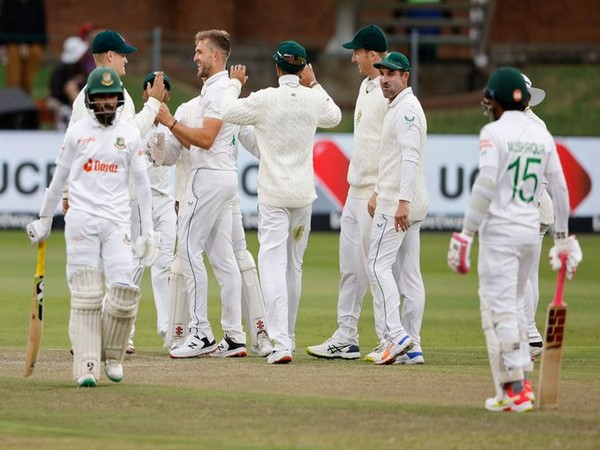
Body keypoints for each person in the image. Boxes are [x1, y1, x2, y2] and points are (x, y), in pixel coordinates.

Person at [447, 66, 582, 412]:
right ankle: (516, 379)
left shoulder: (493, 132)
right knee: (515, 306)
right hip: (529, 230)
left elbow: (486, 184)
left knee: (500, 309)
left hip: (501, 232)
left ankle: (517, 388)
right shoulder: (541, 134)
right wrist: (564, 239)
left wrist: (465, 233)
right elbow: (562, 188)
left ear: (497, 100)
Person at [25, 67, 158, 387]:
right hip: (82, 219)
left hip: (116, 221)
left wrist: (149, 231)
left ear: (118, 100)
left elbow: (142, 183)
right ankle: (86, 365)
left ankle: (112, 355)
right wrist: (44, 219)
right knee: (86, 294)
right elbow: (58, 181)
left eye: (112, 98)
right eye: (101, 98)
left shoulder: (130, 135)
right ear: (90, 101)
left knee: (124, 291)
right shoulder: (77, 134)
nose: (107, 104)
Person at [220, 40, 342, 364]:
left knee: (273, 265)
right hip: (303, 195)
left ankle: (281, 342)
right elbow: (335, 115)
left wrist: (234, 83)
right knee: (294, 266)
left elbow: (227, 111)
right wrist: (314, 83)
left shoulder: (264, 99)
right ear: (302, 68)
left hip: (273, 196)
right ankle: (287, 335)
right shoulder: (313, 98)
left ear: (276, 68)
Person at [154, 29, 247, 359]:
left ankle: (201, 332)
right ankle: (234, 336)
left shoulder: (219, 91)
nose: (195, 57)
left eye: (200, 52)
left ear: (217, 56)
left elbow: (206, 139)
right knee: (223, 261)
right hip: (222, 179)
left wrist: (168, 121)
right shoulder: (221, 90)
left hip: (207, 177)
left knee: (189, 251)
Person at [306, 25, 389, 361]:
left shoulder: (387, 89)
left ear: (373, 54)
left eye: (357, 52)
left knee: (377, 268)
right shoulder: (366, 86)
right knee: (350, 268)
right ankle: (346, 336)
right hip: (355, 191)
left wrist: (381, 189)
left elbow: (393, 146)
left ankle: (389, 338)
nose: (353, 57)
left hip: (374, 192)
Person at [362, 52, 428, 366]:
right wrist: (378, 190)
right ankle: (413, 347)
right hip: (397, 199)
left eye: (392, 74)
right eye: (383, 74)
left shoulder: (407, 110)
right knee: (409, 276)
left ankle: (396, 336)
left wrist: (402, 201)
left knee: (377, 266)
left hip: (399, 204)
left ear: (406, 77)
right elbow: (394, 159)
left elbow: (411, 156)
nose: (385, 79)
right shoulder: (398, 106)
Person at [128, 71, 176, 350]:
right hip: (136, 203)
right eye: (153, 86)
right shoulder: (136, 121)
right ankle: (126, 331)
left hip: (165, 202)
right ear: (145, 92)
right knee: (133, 266)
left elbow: (182, 160)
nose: (159, 91)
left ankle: (168, 330)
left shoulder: (172, 123)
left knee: (164, 266)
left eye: (163, 88)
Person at [520, 73, 555, 358]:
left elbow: (541, 175)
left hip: (531, 207)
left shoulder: (532, 126)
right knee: (528, 274)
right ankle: (528, 334)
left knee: (523, 274)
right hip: (530, 207)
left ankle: (530, 334)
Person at [0, 0, 47, 94]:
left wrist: (42, 43)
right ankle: (13, 102)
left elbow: (41, 20)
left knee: (29, 79)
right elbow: (4, 20)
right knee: (13, 78)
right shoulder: (9, 3)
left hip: (33, 44)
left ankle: (25, 103)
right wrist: (3, 43)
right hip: (14, 44)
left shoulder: (37, 3)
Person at [46, 36, 88, 129]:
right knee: (52, 101)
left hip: (77, 100)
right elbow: (55, 92)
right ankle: (65, 115)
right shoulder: (60, 70)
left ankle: (79, 115)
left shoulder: (80, 69)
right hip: (60, 101)